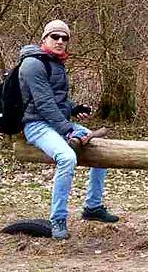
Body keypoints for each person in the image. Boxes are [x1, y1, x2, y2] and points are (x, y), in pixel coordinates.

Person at [19, 19, 119, 240]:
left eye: (65, 38)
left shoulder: (55, 62)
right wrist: (68, 130)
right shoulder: (33, 64)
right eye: (55, 36)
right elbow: (43, 104)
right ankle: (58, 219)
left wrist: (74, 109)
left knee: (100, 150)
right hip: (36, 125)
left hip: (56, 122)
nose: (60, 41)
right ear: (44, 38)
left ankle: (93, 207)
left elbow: (55, 100)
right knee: (66, 158)